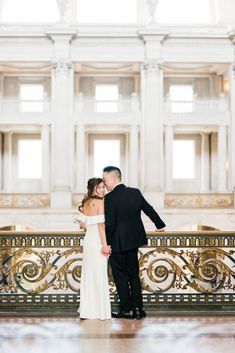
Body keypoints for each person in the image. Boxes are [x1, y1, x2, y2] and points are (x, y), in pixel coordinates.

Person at [102, 166, 166, 320]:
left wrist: (107, 243)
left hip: (116, 244)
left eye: (105, 180)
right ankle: (138, 309)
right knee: (134, 276)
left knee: (120, 278)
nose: (104, 184)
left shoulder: (110, 198)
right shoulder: (135, 192)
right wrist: (160, 225)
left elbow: (110, 224)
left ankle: (126, 310)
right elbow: (148, 209)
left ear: (113, 178)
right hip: (133, 242)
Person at [76, 178, 111, 320]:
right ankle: (99, 311)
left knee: (89, 275)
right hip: (97, 241)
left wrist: (89, 228)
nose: (102, 190)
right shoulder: (100, 202)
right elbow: (101, 226)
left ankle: (87, 311)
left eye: (103, 187)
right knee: (99, 275)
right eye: (99, 188)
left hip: (88, 240)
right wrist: (104, 245)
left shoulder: (85, 203)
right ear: (93, 189)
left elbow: (82, 224)